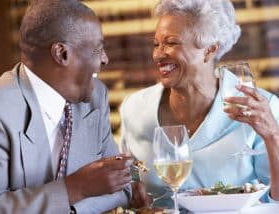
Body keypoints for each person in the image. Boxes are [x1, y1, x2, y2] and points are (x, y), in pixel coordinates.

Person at [119, 0, 279, 208]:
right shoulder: (135, 108)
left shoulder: (260, 107)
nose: (158, 54)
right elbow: (129, 176)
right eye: (156, 44)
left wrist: (273, 136)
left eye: (171, 43)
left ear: (209, 50)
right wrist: (131, 189)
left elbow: (275, 200)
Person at [0, 0, 133, 213]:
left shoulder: (95, 95)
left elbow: (122, 188)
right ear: (62, 54)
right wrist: (75, 188)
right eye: (98, 48)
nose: (105, 59)